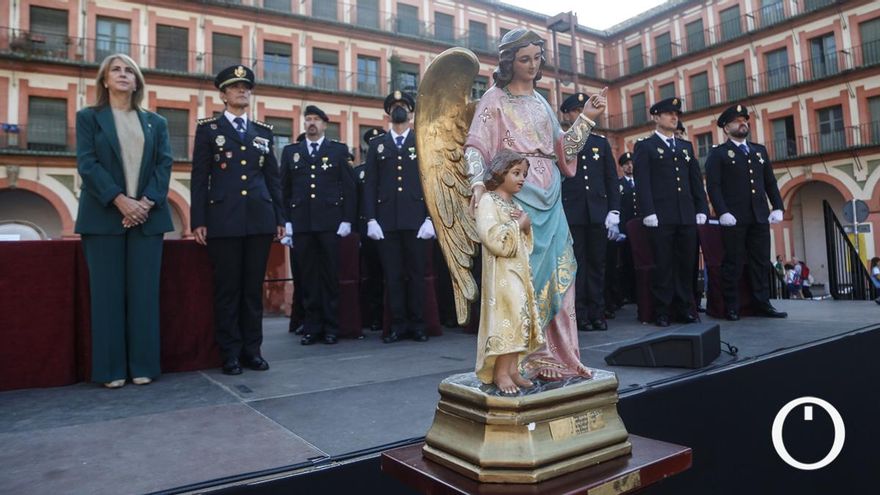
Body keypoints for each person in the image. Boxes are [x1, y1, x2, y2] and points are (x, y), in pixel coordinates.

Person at [465, 27, 606, 380]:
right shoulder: (493, 100)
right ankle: (526, 359)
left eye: (536, 58)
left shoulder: (542, 101)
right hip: (517, 193)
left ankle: (562, 356)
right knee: (520, 280)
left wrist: (586, 118)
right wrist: (478, 184)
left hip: (551, 192)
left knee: (562, 276)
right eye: (524, 59)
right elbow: (475, 147)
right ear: (509, 61)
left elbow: (563, 150)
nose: (531, 65)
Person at [75, 53, 173, 388]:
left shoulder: (156, 122)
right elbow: (87, 165)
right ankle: (111, 370)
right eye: (115, 70)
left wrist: (144, 203)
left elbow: (164, 166)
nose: (123, 74)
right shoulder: (89, 118)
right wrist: (120, 201)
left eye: (129, 70)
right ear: (104, 80)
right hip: (103, 218)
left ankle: (144, 365)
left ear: (138, 82)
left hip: (148, 218)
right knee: (106, 297)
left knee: (144, 296)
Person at [190, 64, 285, 375]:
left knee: (252, 289)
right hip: (224, 220)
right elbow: (199, 177)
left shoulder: (263, 132)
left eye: (246, 86)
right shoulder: (209, 130)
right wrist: (198, 220)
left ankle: (252, 350)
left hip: (259, 219)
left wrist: (280, 218)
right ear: (223, 95)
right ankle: (229, 352)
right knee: (228, 289)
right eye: (235, 87)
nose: (242, 90)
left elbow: (273, 178)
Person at [363, 91, 436, 343]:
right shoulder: (377, 145)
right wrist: (371, 219)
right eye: (394, 106)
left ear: (411, 112)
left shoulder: (422, 141)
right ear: (388, 113)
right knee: (392, 276)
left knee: (416, 275)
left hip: (417, 220)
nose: (399, 109)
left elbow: (431, 181)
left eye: (403, 105)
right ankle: (396, 325)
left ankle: (417, 324)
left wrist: (431, 218)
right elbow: (370, 184)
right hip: (387, 222)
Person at [280, 105, 356, 345]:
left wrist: (347, 219)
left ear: (325, 125)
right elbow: (284, 190)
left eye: (316, 120)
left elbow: (350, 187)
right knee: (309, 279)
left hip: (330, 224)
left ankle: (331, 327)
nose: (311, 123)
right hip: (302, 225)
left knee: (330, 277)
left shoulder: (337, 150)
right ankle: (312, 328)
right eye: (308, 119)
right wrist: (286, 223)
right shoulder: (291, 152)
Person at [705, 104, 787, 320]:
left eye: (745, 120)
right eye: (737, 121)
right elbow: (713, 186)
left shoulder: (759, 151)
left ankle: (762, 303)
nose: (743, 123)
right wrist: (722, 211)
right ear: (726, 128)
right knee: (733, 262)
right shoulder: (719, 153)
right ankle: (732, 305)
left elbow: (769, 181)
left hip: (759, 215)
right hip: (734, 217)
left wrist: (778, 206)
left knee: (760, 261)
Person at [633, 97, 709, 327]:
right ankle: (662, 310)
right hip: (661, 216)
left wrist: (701, 208)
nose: (675, 117)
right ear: (656, 117)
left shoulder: (685, 147)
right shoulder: (645, 146)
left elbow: (695, 181)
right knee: (663, 264)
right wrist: (648, 211)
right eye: (669, 113)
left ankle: (685, 307)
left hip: (685, 214)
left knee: (686, 264)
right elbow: (642, 181)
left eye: (677, 114)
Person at [475, 149, 543, 394]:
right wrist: (519, 225)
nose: (522, 178)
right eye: (516, 173)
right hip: (500, 277)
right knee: (507, 319)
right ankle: (500, 373)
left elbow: (525, 244)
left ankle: (513, 369)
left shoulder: (511, 203)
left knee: (519, 318)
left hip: (519, 272)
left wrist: (526, 228)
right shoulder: (487, 201)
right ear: (500, 172)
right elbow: (491, 237)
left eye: (524, 174)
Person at [559, 92, 621, 332]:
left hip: (598, 212)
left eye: (580, 109)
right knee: (577, 265)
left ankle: (598, 311)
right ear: (568, 115)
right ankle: (580, 313)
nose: (579, 114)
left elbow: (610, 179)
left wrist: (614, 210)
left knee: (598, 264)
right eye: (574, 111)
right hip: (573, 212)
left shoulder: (600, 143)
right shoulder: (564, 141)